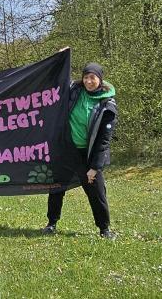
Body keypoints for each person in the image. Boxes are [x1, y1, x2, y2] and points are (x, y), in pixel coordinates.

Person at [44, 62, 118, 239]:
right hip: (67, 150)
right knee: (56, 188)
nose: (88, 81)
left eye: (92, 77)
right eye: (86, 77)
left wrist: (95, 167)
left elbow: (103, 141)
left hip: (89, 155)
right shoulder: (75, 92)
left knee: (97, 192)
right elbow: (60, 81)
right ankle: (51, 224)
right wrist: (61, 58)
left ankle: (104, 229)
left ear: (100, 79)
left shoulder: (107, 105)